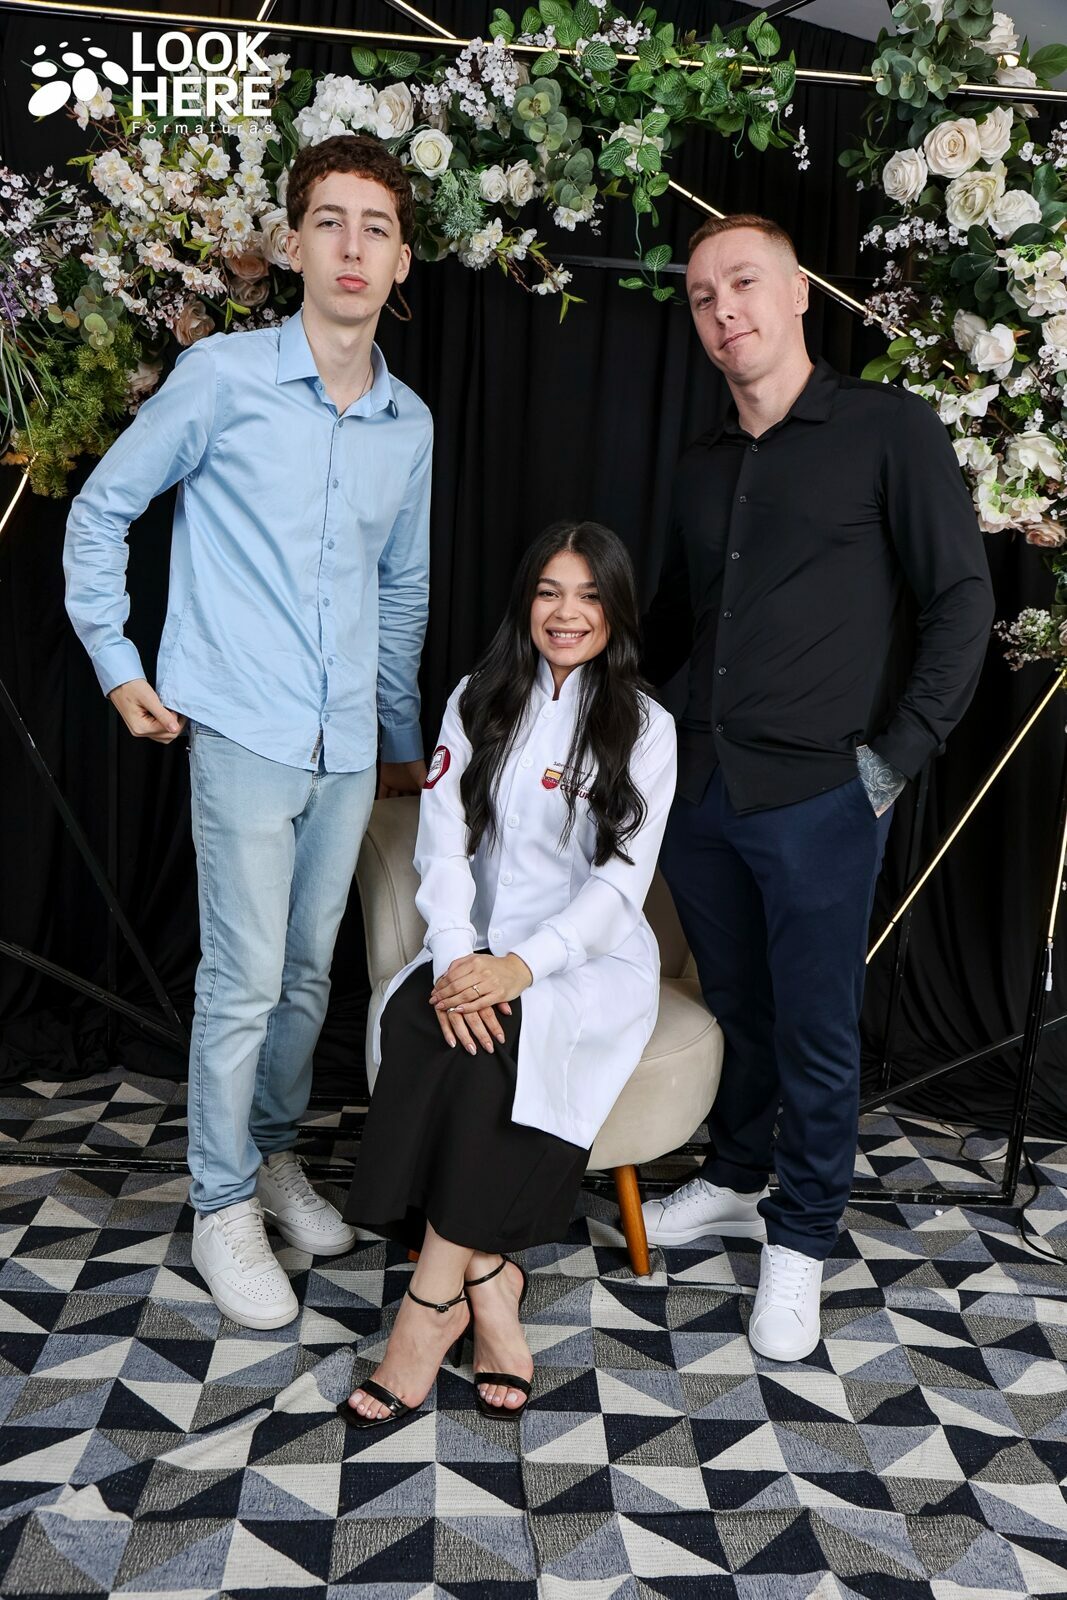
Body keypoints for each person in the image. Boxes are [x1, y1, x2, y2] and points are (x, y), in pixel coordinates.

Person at [63, 134, 432, 1330]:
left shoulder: (407, 424)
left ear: (401, 259)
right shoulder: (221, 377)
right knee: (240, 981)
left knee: (306, 976)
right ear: (292, 243)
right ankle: (219, 1199)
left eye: (375, 227)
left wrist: (395, 735)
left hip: (344, 746)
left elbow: (402, 591)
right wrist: (117, 662)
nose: (351, 246)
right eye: (329, 221)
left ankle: (270, 1155)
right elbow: (102, 509)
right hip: (238, 728)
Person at [639, 214, 995, 1362]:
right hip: (703, 790)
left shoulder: (888, 429)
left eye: (743, 283)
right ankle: (738, 1173)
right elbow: (676, 620)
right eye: (702, 296)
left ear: (797, 294)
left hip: (821, 797)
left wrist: (890, 762)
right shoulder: (700, 462)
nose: (722, 308)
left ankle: (798, 1237)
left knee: (815, 1026)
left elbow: (960, 602)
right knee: (738, 1004)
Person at [339, 520, 677, 1428]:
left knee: (496, 1049)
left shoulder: (646, 727)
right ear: (525, 601)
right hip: (473, 940)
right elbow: (442, 842)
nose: (567, 614)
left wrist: (522, 968)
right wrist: (459, 955)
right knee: (421, 1021)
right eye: (548, 592)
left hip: (586, 960)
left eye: (589, 596)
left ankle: (426, 1311)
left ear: (615, 611)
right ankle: (490, 1283)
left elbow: (621, 886)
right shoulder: (476, 697)